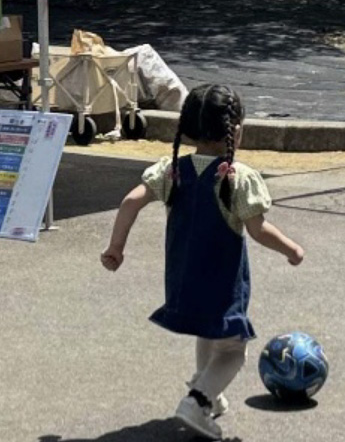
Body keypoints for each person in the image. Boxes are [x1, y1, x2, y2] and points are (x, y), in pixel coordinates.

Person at [101, 83, 305, 440]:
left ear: (188, 128)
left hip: (181, 278)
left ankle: (208, 390)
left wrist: (116, 247)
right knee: (233, 350)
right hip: (221, 281)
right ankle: (197, 400)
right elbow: (258, 230)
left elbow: (130, 201)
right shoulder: (238, 177)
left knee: (209, 333)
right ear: (236, 130)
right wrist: (292, 250)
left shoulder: (172, 170)